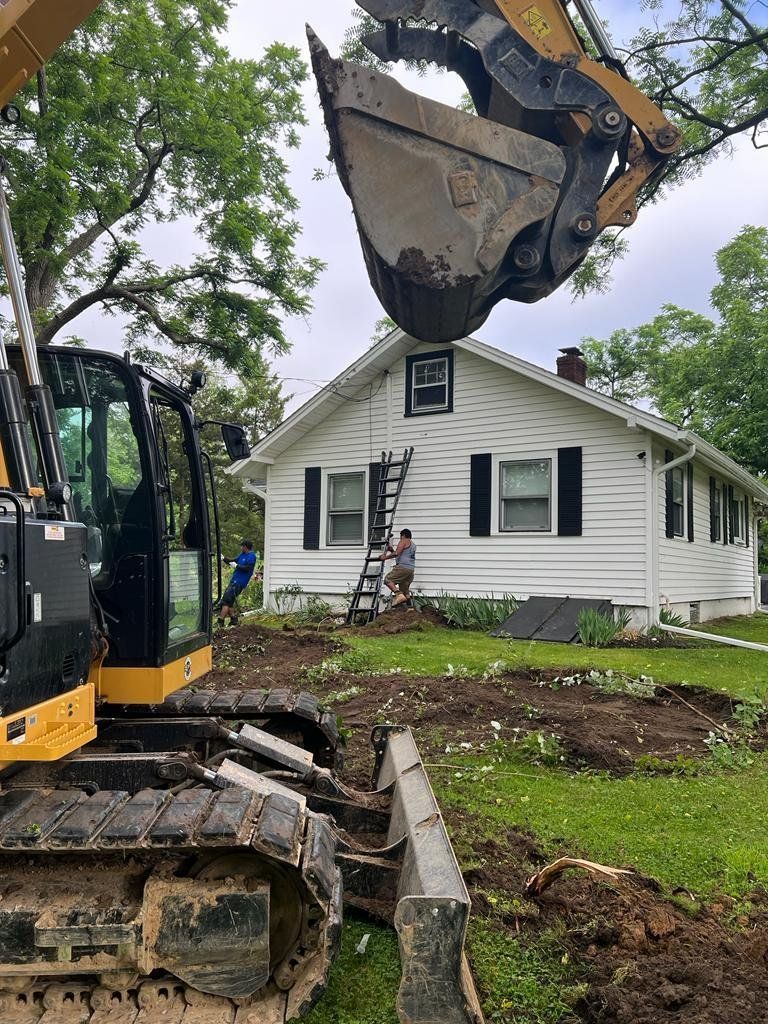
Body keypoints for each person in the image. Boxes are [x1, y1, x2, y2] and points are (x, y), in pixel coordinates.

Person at [217, 539, 257, 627]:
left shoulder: (251, 556)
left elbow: (248, 568)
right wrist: (223, 559)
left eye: (241, 546)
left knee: (225, 601)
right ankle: (234, 620)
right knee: (230, 601)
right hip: (234, 581)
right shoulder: (242, 555)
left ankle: (220, 621)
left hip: (239, 582)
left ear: (245, 547)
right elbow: (233, 561)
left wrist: (237, 566)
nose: (240, 547)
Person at [380, 528, 416, 608]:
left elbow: (397, 553)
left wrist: (385, 557)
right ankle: (409, 608)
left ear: (403, 535)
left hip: (402, 567)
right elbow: (401, 555)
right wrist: (391, 550)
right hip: (410, 570)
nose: (400, 538)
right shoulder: (413, 545)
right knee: (404, 589)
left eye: (400, 536)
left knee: (388, 580)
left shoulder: (403, 541)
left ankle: (398, 595)